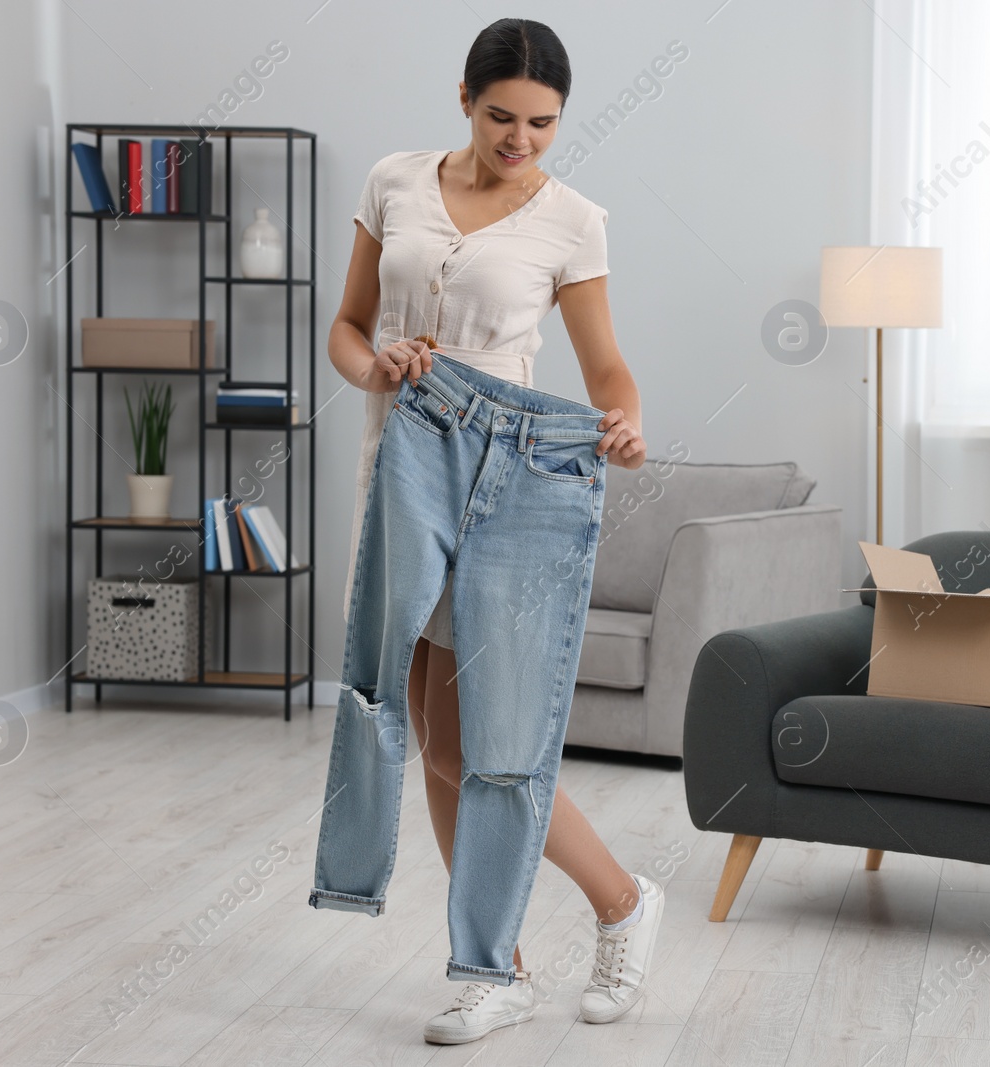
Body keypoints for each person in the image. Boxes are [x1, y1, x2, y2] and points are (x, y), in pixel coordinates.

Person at [324, 16, 666, 1046]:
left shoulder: (571, 221)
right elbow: (346, 329)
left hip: (511, 486)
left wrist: (627, 419)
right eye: (502, 117)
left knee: (488, 742)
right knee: (434, 744)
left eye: (543, 125)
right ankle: (495, 966)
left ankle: (619, 901)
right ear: (465, 98)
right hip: (403, 472)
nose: (521, 140)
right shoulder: (394, 182)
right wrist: (375, 365)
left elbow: (606, 366)